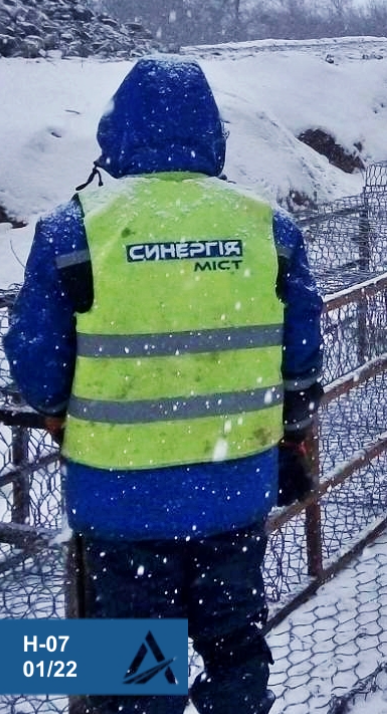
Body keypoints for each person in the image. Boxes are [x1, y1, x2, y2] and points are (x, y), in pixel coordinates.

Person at [3, 57, 324, 714]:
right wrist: (291, 438)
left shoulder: (73, 230)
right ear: (213, 134)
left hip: (120, 505)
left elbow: (37, 369)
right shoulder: (267, 227)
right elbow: (304, 359)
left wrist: (63, 409)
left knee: (138, 669)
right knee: (235, 647)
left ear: (116, 132)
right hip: (234, 489)